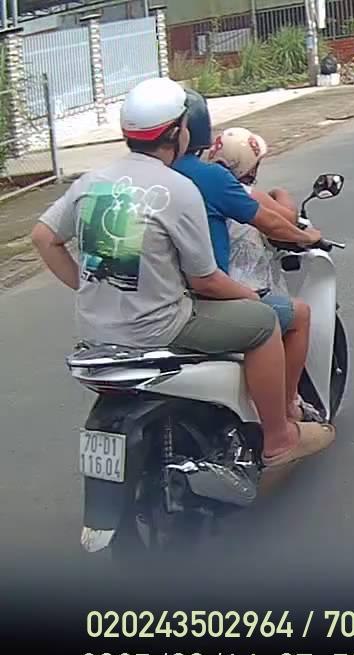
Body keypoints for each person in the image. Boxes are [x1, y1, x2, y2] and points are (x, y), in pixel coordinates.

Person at [29, 77, 333, 468]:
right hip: (159, 326)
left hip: (95, 330)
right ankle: (279, 437)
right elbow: (206, 280)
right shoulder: (177, 187)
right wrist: (250, 297)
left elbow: (43, 238)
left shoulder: (93, 181)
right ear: (177, 133)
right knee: (263, 322)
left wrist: (88, 285)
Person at [173, 90, 320, 422]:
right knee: (291, 316)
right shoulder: (212, 179)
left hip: (150, 301)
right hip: (207, 297)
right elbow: (274, 222)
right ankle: (283, 418)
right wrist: (306, 235)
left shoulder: (136, 180)